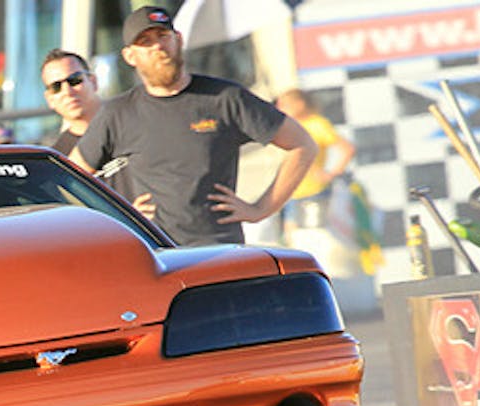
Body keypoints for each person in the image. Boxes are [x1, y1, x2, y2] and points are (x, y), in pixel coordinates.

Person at [70, 6, 316, 247]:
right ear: (130, 56)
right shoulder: (117, 113)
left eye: (163, 36)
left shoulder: (225, 98)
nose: (157, 46)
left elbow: (302, 145)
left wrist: (260, 209)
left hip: (220, 250)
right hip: (157, 257)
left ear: (178, 40)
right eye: (145, 41)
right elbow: (69, 179)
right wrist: (119, 217)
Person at [274, 88, 356, 235]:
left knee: (313, 236)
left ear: (299, 104)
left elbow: (347, 148)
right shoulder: (288, 126)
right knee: (291, 238)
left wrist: (332, 173)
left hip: (312, 192)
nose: (279, 109)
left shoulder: (317, 124)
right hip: (290, 191)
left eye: (284, 105)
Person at [41, 48, 103, 156]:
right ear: (49, 99)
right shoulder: (59, 158)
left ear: (93, 82)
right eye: (56, 87)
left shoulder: (131, 120)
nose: (67, 92)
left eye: (74, 80)